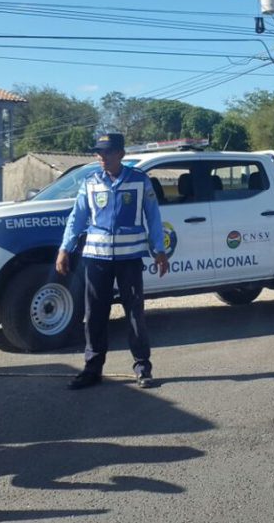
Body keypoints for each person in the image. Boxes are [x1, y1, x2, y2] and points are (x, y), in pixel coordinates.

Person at [57, 133, 170, 390]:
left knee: (134, 313)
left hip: (130, 258)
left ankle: (143, 367)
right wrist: (65, 248)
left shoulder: (139, 180)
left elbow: (153, 217)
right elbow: (77, 218)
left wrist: (159, 250)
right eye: (98, 152)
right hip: (96, 259)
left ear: (121, 154)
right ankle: (92, 369)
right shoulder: (90, 182)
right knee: (94, 314)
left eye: (107, 152)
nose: (102, 157)